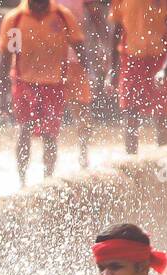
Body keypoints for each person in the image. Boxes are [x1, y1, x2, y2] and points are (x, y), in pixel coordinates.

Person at [0, 0, 89, 188]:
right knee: (24, 130)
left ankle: (48, 180)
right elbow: (5, 58)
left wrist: (89, 75)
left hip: (54, 84)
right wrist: (0, 97)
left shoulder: (62, 16)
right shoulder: (15, 19)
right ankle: (22, 182)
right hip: (24, 83)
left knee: (50, 135)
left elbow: (80, 47)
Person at [107, 0, 167, 154]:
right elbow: (117, 31)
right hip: (131, 59)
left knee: (162, 115)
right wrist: (112, 69)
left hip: (158, 60)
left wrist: (166, 69)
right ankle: (131, 163)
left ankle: (164, 162)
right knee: (130, 115)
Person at [56, 0, 107, 168]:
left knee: (83, 114)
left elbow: (97, 18)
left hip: (78, 60)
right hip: (52, 61)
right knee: (48, 115)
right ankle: (49, 167)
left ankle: (83, 157)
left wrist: (105, 49)